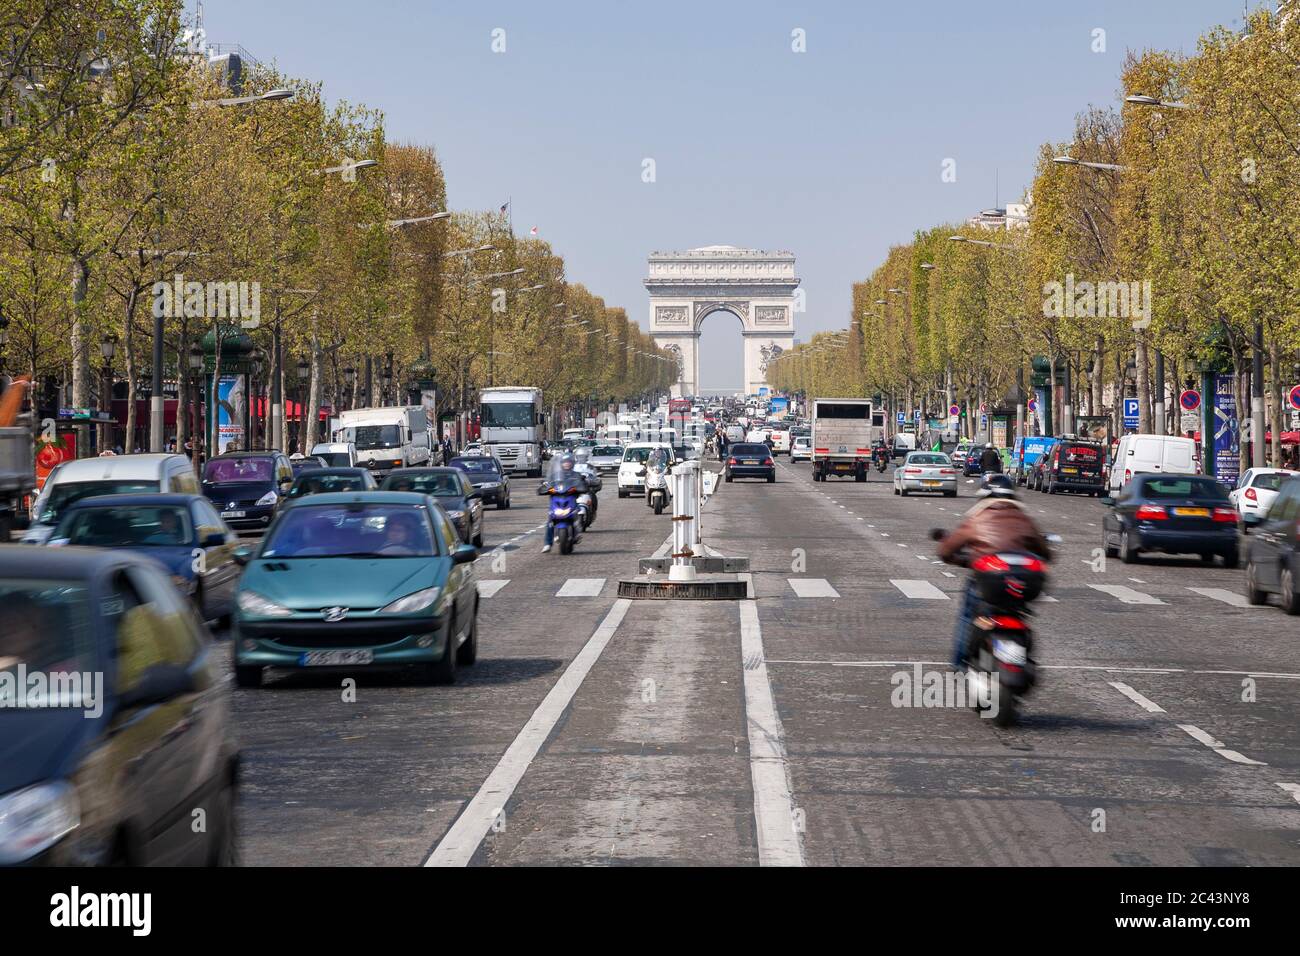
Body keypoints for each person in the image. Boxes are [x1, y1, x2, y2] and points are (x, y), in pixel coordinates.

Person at [937, 474, 1052, 668]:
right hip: (1023, 584)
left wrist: (961, 561)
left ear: (984, 497)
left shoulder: (977, 519)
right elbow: (1046, 553)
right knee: (1023, 614)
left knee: (968, 615)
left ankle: (959, 663)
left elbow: (945, 551)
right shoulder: (1024, 520)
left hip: (989, 582)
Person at [540, 451, 590, 553]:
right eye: (564, 462)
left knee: (577, 512)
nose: (566, 464)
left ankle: (577, 532)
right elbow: (548, 484)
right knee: (550, 520)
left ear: (572, 463)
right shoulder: (556, 475)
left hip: (570, 500)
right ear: (561, 463)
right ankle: (547, 543)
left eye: (568, 462)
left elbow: (582, 484)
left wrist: (580, 487)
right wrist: (546, 488)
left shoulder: (576, 475)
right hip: (557, 500)